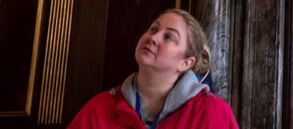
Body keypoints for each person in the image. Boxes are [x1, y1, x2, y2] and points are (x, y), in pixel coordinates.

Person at [68, 9, 238, 128]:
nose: (153, 37)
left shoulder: (211, 113)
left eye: (169, 37)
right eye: (153, 29)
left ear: (186, 62)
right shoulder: (99, 108)